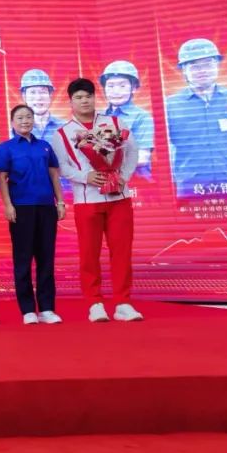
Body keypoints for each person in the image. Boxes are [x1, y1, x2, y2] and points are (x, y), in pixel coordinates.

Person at [51, 78, 143, 323]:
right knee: (89, 254)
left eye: (88, 96)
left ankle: (123, 303)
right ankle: (94, 303)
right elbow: (62, 167)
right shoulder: (61, 134)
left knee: (121, 251)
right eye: (79, 97)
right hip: (87, 201)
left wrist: (123, 177)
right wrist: (86, 177)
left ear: (95, 98)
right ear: (71, 102)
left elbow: (132, 151)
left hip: (119, 198)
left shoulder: (115, 123)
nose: (84, 101)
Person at [0, 104, 66, 325]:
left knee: (46, 259)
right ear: (12, 122)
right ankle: (27, 309)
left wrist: (60, 201)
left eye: (28, 117)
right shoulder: (6, 148)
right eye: (20, 117)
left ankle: (47, 308)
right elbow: (2, 178)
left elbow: (54, 175)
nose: (25, 121)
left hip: (46, 207)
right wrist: (8, 205)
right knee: (23, 259)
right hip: (21, 208)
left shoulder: (44, 146)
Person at [164, 38, 227, 198]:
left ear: (217, 66)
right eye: (194, 66)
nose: (202, 70)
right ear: (184, 70)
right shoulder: (169, 106)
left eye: (208, 64)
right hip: (193, 188)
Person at [100, 60, 154, 177]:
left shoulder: (142, 117)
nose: (116, 91)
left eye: (122, 86)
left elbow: (142, 157)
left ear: (133, 88)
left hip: (137, 181)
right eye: (110, 86)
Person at [18, 69, 64, 142]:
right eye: (32, 92)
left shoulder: (64, 127)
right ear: (24, 96)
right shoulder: (18, 130)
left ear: (50, 95)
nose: (38, 97)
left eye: (43, 92)